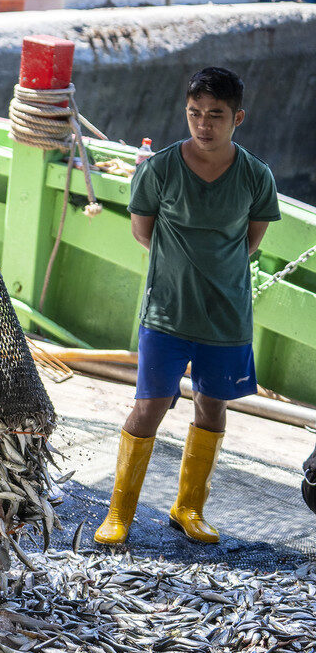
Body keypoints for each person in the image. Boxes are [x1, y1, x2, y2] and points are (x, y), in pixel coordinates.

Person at [94, 66, 280, 546]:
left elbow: (250, 240)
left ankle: (189, 507)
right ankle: (119, 514)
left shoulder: (257, 175)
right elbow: (143, 230)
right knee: (149, 405)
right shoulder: (159, 168)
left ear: (237, 117)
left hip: (227, 313)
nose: (204, 124)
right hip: (167, 311)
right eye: (195, 113)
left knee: (212, 404)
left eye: (216, 115)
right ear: (186, 113)